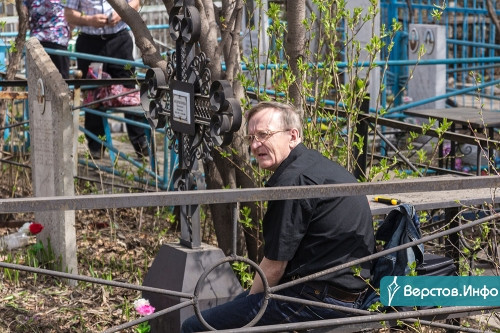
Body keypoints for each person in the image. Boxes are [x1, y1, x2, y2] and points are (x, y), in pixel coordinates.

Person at [181, 101, 375, 332]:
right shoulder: (316, 165)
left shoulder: (292, 183)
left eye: (264, 135)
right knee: (231, 311)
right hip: (346, 290)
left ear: (292, 136)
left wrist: (249, 307)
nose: (255, 145)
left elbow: (274, 267)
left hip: (318, 299)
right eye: (251, 138)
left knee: (196, 327)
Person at [62, 0, 148, 160]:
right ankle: (96, 146)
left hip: (119, 40)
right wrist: (89, 20)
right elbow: (68, 13)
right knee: (92, 95)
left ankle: (140, 143)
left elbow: (136, 1)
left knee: (130, 91)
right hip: (90, 42)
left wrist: (121, 13)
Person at [24, 0, 71, 79]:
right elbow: (71, 18)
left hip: (37, 41)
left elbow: (23, 20)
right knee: (62, 82)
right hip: (59, 39)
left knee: (39, 82)